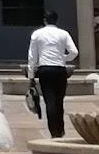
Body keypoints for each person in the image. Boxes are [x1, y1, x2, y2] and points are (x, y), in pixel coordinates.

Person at [27, 11, 78, 139]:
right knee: (59, 100)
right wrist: (64, 58)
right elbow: (74, 52)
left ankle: (53, 131)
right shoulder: (63, 34)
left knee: (49, 100)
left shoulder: (37, 34)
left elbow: (32, 57)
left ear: (45, 20)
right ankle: (60, 129)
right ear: (56, 20)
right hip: (60, 70)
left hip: (44, 69)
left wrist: (31, 75)